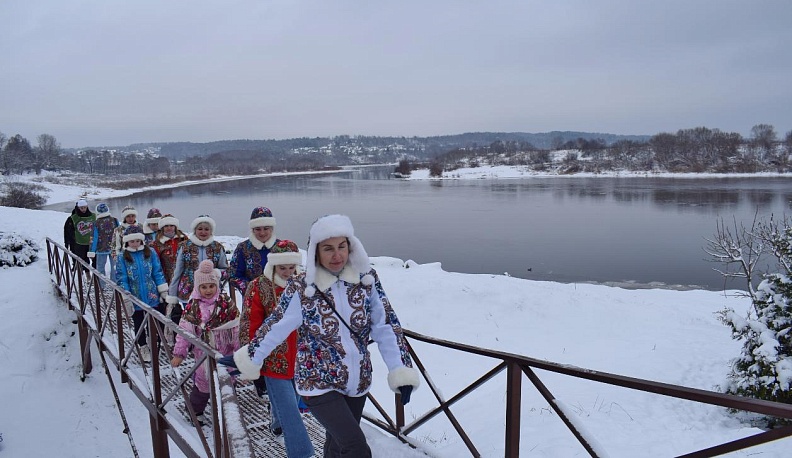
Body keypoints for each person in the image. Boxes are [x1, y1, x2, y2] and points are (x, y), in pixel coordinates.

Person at [232, 214, 420, 457]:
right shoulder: (302, 287)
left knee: (336, 446)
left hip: (357, 381)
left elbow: (386, 325)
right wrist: (251, 355)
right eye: (328, 248)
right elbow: (277, 323)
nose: (337, 255)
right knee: (356, 448)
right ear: (315, 252)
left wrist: (400, 369)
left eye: (342, 246)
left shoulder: (366, 280)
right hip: (317, 381)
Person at [239, 240, 314, 457]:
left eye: (292, 267)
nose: (289, 272)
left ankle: (276, 421)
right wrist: (250, 355)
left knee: (288, 401)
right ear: (273, 266)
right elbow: (249, 323)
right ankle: (302, 453)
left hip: (302, 358)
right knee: (290, 410)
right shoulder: (259, 286)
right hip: (273, 359)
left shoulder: (305, 285)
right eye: (283, 268)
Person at [171, 260, 239, 426]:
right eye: (204, 287)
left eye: (211, 286)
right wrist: (179, 353)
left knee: (228, 381)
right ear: (197, 287)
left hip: (226, 352)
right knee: (203, 385)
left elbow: (237, 327)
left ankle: (226, 412)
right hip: (204, 353)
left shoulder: (225, 303)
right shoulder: (194, 306)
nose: (208, 290)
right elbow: (184, 331)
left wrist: (241, 351)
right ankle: (195, 410)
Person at [115, 225, 168, 363]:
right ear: (127, 241)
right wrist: (126, 297)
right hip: (135, 296)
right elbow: (122, 278)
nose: (135, 243)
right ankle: (143, 346)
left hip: (152, 295)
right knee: (139, 323)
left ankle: (154, 341)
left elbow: (157, 271)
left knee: (155, 321)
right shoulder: (122, 256)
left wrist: (162, 290)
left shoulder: (149, 252)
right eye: (132, 241)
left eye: (137, 240)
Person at [166, 215, 229, 324]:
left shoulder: (217, 247)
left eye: (206, 229)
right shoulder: (185, 247)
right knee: (191, 321)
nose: (203, 232)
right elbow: (177, 271)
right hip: (188, 292)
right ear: (195, 230)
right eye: (200, 229)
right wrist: (172, 294)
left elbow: (225, 270)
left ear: (211, 231)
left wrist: (216, 273)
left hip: (211, 292)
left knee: (209, 321)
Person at [229, 206, 279, 297]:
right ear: (252, 230)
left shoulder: (281, 247)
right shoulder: (243, 248)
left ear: (272, 228)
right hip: (252, 300)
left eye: (266, 228)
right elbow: (233, 275)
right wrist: (251, 287)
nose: (262, 233)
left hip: (279, 300)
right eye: (258, 229)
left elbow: (292, 273)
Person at [149, 214, 188, 324]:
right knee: (171, 309)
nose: (169, 228)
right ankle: (173, 333)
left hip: (184, 280)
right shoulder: (156, 244)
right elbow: (154, 264)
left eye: (172, 225)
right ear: (162, 228)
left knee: (188, 306)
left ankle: (190, 331)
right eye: (166, 226)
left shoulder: (184, 239)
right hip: (167, 280)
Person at [88, 202, 119, 281]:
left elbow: (94, 238)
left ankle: (101, 285)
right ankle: (115, 284)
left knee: (100, 267)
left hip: (101, 249)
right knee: (115, 267)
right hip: (114, 248)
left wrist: (92, 250)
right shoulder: (115, 220)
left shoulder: (96, 223)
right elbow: (119, 233)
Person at [63, 198, 95, 266]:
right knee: (83, 262)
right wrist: (67, 242)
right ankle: (85, 274)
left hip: (92, 243)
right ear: (78, 208)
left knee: (95, 261)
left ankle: (95, 276)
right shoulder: (72, 218)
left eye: (85, 207)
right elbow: (67, 231)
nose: (83, 209)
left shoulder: (93, 216)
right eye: (81, 208)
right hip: (79, 244)